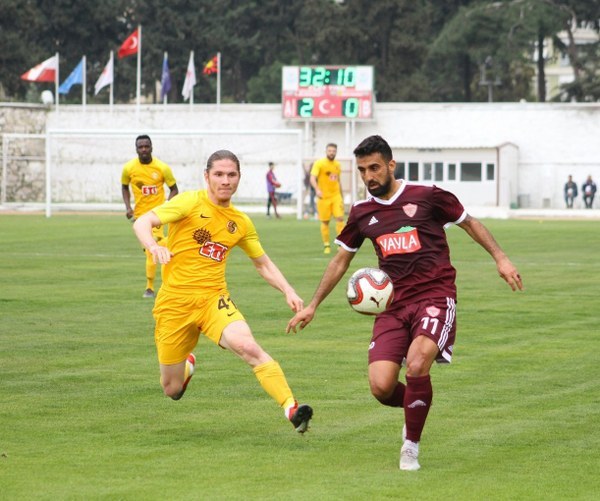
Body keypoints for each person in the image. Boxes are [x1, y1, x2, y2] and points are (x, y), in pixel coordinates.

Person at [287, 135, 523, 470]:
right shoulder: (361, 212)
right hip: (393, 305)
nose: (369, 176)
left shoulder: (427, 196)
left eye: (375, 168)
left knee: (416, 364)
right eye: (362, 170)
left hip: (435, 296)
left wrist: (501, 258)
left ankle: (410, 445)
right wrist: (313, 305)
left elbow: (469, 222)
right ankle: (418, 402)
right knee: (381, 387)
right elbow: (341, 260)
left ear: (391, 165)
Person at [132, 149, 313, 433]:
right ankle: (186, 368)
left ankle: (291, 407)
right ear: (207, 176)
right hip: (174, 304)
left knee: (248, 347)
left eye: (231, 175)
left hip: (214, 300)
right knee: (172, 389)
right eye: (218, 174)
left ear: (239, 178)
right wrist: (154, 246)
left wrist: (287, 290)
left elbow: (262, 263)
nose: (225, 180)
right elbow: (143, 222)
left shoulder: (240, 223)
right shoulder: (189, 202)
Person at [122, 135, 179, 298]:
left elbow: (174, 189)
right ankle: (170, 246)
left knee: (151, 249)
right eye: (141, 147)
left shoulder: (162, 168)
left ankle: (150, 288)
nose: (144, 150)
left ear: (151, 147)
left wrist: (167, 207)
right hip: (140, 218)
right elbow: (124, 187)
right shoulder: (129, 168)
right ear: (136, 149)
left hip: (157, 217)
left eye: (146, 146)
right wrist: (128, 207)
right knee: (151, 249)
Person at [310, 143, 344, 254]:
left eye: (334, 151)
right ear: (326, 151)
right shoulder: (319, 163)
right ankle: (326, 245)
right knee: (325, 222)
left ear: (336, 152)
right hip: (323, 197)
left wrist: (342, 196)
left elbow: (338, 181)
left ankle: (341, 244)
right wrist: (317, 190)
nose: (331, 153)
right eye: (330, 151)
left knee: (340, 218)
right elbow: (312, 178)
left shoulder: (337, 165)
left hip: (336, 196)